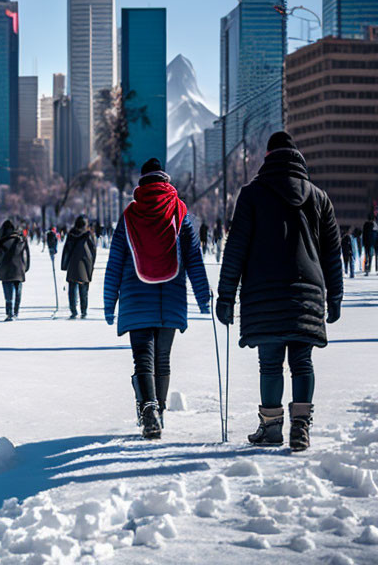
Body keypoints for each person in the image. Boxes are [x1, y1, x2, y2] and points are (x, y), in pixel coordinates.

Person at [217, 132, 343, 452]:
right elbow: (332, 253)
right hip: (307, 292)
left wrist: (226, 296)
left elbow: (236, 249)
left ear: (268, 157)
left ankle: (271, 427)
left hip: (264, 294)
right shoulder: (319, 198)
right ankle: (300, 426)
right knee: (302, 362)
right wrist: (336, 296)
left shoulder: (252, 195)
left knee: (270, 364)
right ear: (298, 159)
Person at [103, 159, 210, 440]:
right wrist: (203, 297)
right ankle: (158, 412)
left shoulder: (129, 215)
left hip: (134, 298)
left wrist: (108, 301)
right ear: (166, 180)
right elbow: (194, 259)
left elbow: (115, 262)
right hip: (171, 296)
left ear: (142, 182)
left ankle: (148, 409)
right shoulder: (180, 212)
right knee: (162, 359)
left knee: (143, 359)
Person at [0, 219, 30, 321]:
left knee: (8, 294)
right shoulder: (21, 239)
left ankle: (10, 313)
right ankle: (16, 312)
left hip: (5, 270)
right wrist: (25, 268)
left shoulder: (0, 241)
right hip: (19, 269)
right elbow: (27, 256)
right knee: (18, 291)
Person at [61, 216, 97, 319]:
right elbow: (93, 249)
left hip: (72, 263)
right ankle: (84, 311)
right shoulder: (88, 235)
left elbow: (66, 250)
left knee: (72, 288)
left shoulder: (71, 234)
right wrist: (92, 262)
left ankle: (73, 310)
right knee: (84, 288)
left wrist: (64, 264)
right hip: (85, 262)